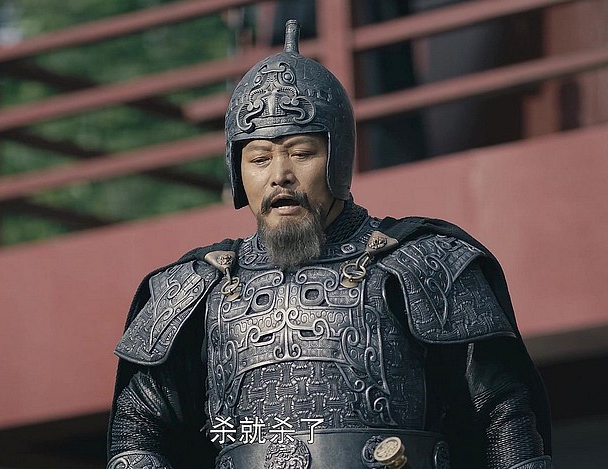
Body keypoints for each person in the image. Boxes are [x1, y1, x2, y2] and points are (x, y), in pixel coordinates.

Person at [107, 20, 552, 469]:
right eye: (259, 158)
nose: (279, 176)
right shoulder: (197, 287)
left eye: (301, 153)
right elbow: (138, 428)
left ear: (338, 156)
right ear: (237, 170)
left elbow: (501, 412)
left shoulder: (421, 262)